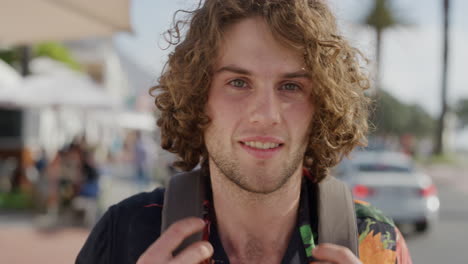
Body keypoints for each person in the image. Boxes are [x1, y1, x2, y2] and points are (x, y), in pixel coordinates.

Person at [76, 0, 413, 263]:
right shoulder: (124, 234)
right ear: (198, 97)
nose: (266, 115)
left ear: (321, 105)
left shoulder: (377, 245)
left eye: (291, 86)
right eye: (238, 83)